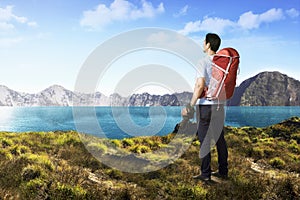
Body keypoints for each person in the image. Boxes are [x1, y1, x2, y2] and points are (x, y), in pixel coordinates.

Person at [182, 33, 228, 181]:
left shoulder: (203, 62)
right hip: (219, 106)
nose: (203, 44)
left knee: (204, 139)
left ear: (208, 44)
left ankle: (205, 174)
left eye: (204, 42)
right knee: (220, 138)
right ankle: (223, 171)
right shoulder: (223, 64)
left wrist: (190, 105)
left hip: (205, 107)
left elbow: (200, 85)